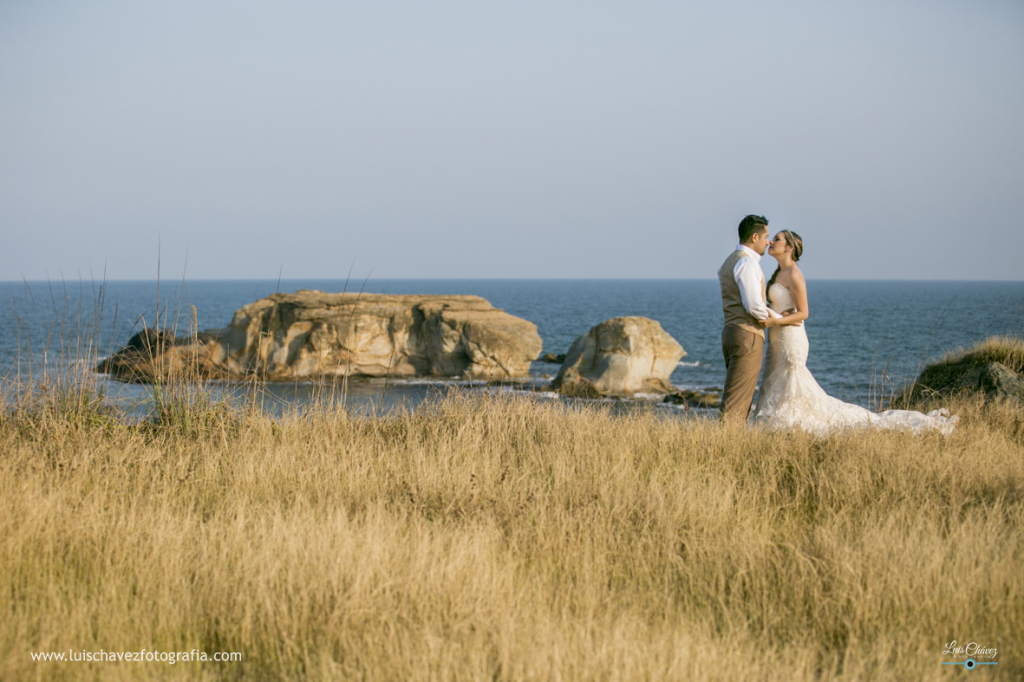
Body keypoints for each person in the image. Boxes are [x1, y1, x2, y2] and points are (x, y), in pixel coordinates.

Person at [752, 230, 957, 435]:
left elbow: (804, 313)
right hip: (777, 337)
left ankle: (787, 423)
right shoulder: (778, 273)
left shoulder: (795, 274)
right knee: (775, 379)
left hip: (791, 338)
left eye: (776, 239)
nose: (770, 241)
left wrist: (776, 320)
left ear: (789, 248)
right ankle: (773, 422)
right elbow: (784, 306)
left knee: (791, 380)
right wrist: (779, 314)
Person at [718, 215, 782, 421]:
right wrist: (776, 318)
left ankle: (728, 442)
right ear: (755, 237)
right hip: (748, 334)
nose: (768, 242)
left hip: (730, 331)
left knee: (736, 393)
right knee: (738, 400)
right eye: (766, 237)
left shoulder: (728, 262)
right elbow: (754, 305)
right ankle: (727, 445)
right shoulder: (747, 263)